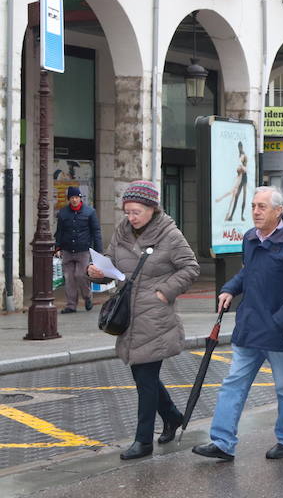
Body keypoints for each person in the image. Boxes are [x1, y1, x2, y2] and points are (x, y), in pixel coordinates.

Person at [87, 180, 199, 460]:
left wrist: (165, 292)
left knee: (145, 377)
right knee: (143, 375)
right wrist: (96, 272)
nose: (131, 217)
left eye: (136, 211)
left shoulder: (170, 235)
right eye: (127, 211)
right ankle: (173, 416)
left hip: (156, 317)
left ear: (151, 209)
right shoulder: (123, 232)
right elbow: (111, 262)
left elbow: (190, 267)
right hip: (129, 316)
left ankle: (143, 441)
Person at [192, 187, 283, 462]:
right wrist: (229, 288)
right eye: (253, 205)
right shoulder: (250, 238)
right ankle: (222, 441)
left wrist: (281, 319)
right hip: (250, 325)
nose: (255, 211)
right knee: (233, 384)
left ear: (279, 211)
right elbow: (248, 272)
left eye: (262, 206)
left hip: (280, 330)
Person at [55, 186, 102, 313]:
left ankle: (87, 297)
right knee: (69, 278)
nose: (74, 200)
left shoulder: (89, 212)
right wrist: (57, 247)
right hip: (67, 250)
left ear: (80, 198)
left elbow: (96, 231)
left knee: (81, 275)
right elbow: (59, 231)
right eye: (72, 198)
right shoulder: (63, 213)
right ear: (69, 199)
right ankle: (71, 305)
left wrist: (98, 252)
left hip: (83, 250)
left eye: (76, 197)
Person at [216, 141, 249, 222]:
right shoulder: (239, 156)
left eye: (240, 146)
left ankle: (240, 215)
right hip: (240, 178)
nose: (239, 148)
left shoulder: (243, 156)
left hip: (243, 178)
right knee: (236, 197)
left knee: (242, 197)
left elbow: (244, 169)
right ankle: (231, 215)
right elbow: (239, 168)